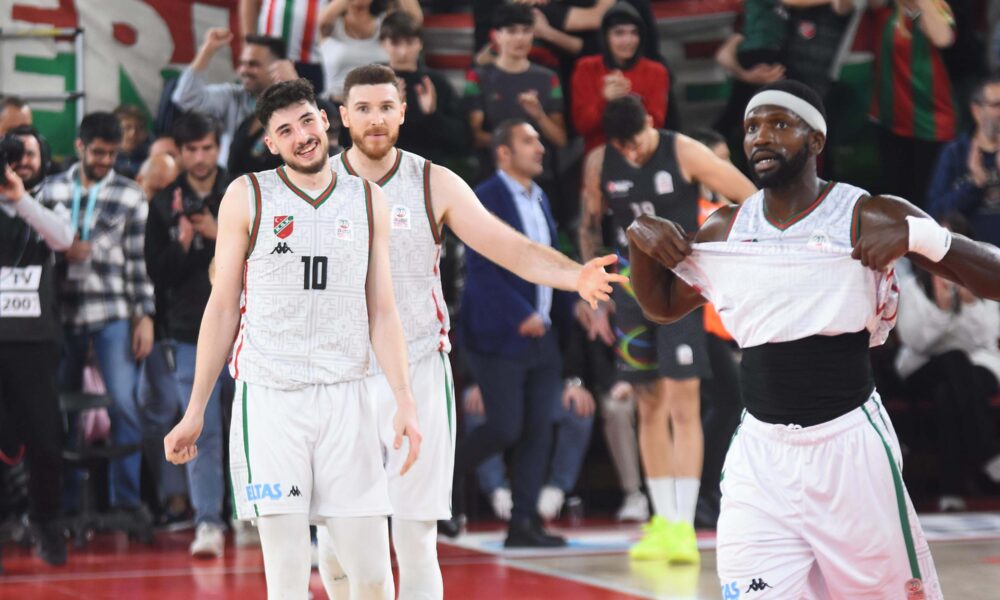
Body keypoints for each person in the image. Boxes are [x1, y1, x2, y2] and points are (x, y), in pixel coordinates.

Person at [627, 79, 1000, 598]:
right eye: (752, 127)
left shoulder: (867, 213)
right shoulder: (727, 228)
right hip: (761, 456)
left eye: (779, 124)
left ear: (816, 140)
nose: (761, 137)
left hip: (849, 449)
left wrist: (920, 235)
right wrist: (640, 244)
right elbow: (663, 306)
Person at [318, 64, 625, 598]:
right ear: (344, 116)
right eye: (363, 108)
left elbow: (511, 248)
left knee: (416, 540)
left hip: (417, 368)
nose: (375, 119)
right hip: (339, 374)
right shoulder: (313, 185)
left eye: (386, 107)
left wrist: (573, 275)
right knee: (344, 545)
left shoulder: (433, 182)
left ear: (403, 113)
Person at [163, 78, 421, 599]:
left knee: (373, 575)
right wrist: (195, 410)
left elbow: (383, 311)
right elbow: (222, 308)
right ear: (270, 143)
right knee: (286, 575)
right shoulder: (247, 195)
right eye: (285, 130)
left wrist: (404, 401)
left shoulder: (367, 198)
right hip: (271, 400)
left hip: (347, 395)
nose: (301, 137)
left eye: (307, 121)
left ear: (325, 120)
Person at [579, 96, 755, 564]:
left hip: (679, 290)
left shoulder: (684, 151)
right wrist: (594, 290)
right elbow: (589, 226)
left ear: (651, 123)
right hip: (629, 292)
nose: (632, 153)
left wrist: (720, 252)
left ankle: (684, 525)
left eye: (637, 143)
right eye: (623, 147)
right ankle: (662, 520)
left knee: (683, 404)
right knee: (648, 403)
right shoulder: (599, 162)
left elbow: (749, 197)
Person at [36, 112, 156, 525]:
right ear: (80, 146)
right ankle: (66, 503)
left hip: (112, 311)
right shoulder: (49, 190)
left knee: (125, 404)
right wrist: (61, 250)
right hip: (60, 314)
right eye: (99, 153)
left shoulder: (130, 195)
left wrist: (144, 316)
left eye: (112, 154)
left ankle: (126, 502)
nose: (106, 161)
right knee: (61, 408)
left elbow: (139, 262)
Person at [145, 112, 232, 557]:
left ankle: (251, 515)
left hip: (246, 327)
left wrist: (221, 236)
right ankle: (208, 521)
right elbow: (155, 274)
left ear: (219, 147)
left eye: (207, 148)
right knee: (202, 430)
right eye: (192, 149)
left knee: (252, 428)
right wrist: (182, 244)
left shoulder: (241, 191)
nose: (200, 157)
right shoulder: (164, 203)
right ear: (179, 152)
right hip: (187, 331)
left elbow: (271, 256)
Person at [0, 161, 74, 568]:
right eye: (9, 157)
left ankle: (46, 522)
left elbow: (63, 239)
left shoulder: (51, 201)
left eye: (27, 154)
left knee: (45, 440)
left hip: (34, 341)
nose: (17, 164)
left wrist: (20, 200)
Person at [870, 0, 957, 208]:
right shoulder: (887, 8)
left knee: (924, 201)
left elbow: (943, 38)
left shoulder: (937, 7)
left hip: (931, 122)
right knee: (895, 199)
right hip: (892, 119)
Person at [172, 29, 288, 163]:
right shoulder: (234, 96)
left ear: (279, 66)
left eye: (253, 64)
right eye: (242, 64)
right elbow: (185, 98)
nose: (243, 70)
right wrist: (207, 49)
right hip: (232, 175)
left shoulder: (296, 104)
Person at [571, 1, 669, 154]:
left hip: (642, 153)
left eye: (634, 33)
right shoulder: (586, 68)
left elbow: (656, 124)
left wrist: (627, 102)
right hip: (600, 154)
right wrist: (605, 100)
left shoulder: (656, 71)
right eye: (619, 33)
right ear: (605, 36)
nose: (628, 40)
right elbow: (582, 126)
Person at [379, 11, 470, 165]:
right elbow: (354, 137)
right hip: (383, 166)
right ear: (383, 43)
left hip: (430, 167)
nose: (403, 51)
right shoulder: (373, 82)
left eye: (409, 43)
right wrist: (391, 111)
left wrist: (432, 115)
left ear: (420, 43)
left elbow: (462, 140)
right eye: (395, 43)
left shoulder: (436, 83)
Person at [928, 75, 1000, 246]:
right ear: (977, 111)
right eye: (997, 105)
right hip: (971, 254)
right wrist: (974, 185)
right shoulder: (956, 153)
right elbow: (935, 213)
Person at [317, 0, 423, 100]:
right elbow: (322, 21)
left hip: (377, 103)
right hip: (337, 103)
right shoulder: (332, 26)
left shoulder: (384, 24)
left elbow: (414, 20)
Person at [8, 125, 51, 194]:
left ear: (43, 159)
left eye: (30, 154)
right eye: (15, 154)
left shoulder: (59, 191)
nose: (23, 162)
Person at [114, 105, 152, 180]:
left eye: (139, 128)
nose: (133, 133)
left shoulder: (152, 159)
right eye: (127, 128)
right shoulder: (104, 161)